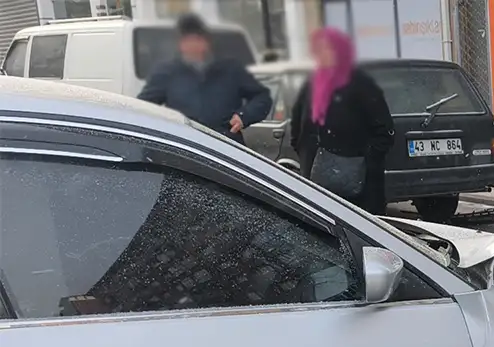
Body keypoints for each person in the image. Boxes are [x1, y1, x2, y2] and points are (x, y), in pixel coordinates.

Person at [289, 28, 395, 214]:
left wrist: (364, 160)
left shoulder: (360, 83)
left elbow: (384, 130)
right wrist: (306, 152)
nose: (322, 54)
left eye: (327, 49)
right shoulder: (312, 84)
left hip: (358, 188)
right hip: (317, 182)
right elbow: (298, 124)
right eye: (318, 49)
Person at [137, 13, 271, 143]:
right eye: (187, 40)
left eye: (197, 39)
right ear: (180, 44)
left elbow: (262, 97)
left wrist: (244, 116)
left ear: (206, 41)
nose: (192, 45)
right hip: (188, 147)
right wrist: (166, 131)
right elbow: (141, 108)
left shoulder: (230, 70)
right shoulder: (166, 73)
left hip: (227, 145)